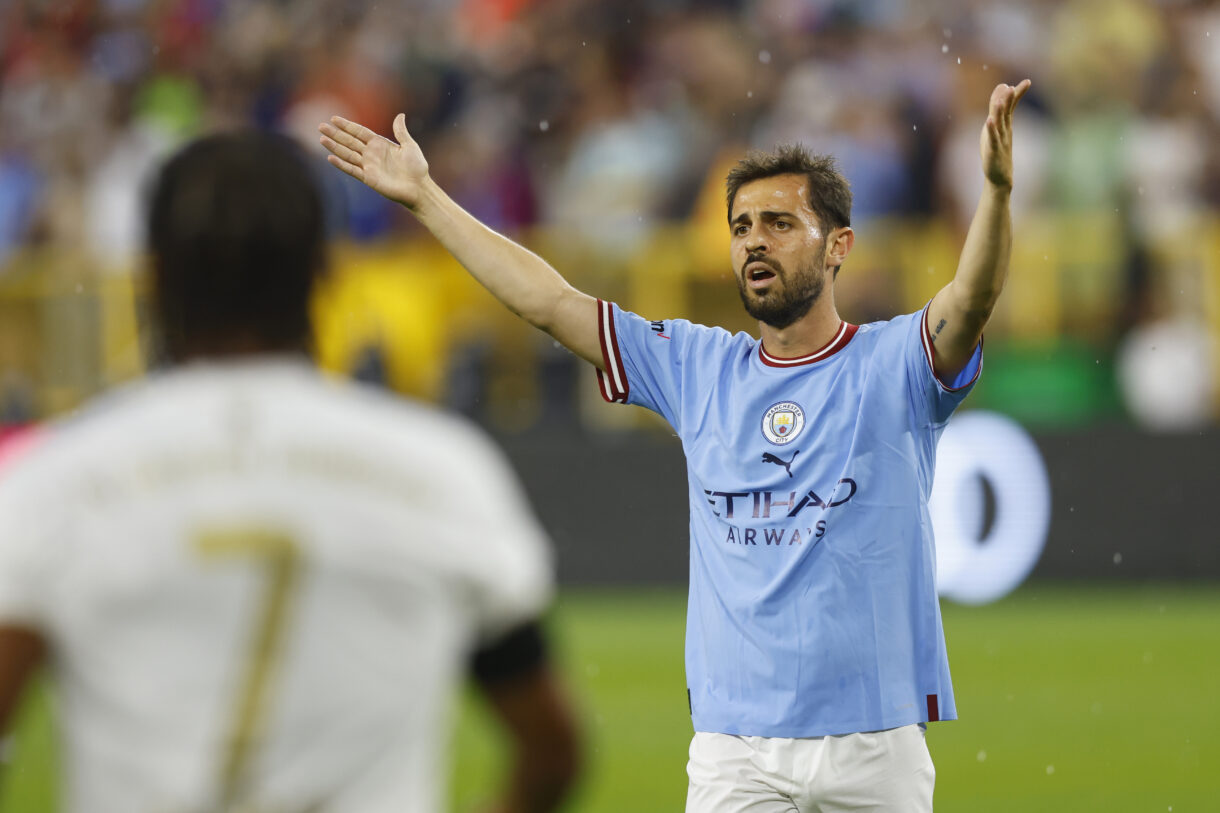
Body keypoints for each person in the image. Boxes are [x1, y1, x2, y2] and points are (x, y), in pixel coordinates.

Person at [319, 77, 1031, 812]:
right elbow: (551, 302)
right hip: (735, 751)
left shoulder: (893, 366)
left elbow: (970, 301)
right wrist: (427, 199)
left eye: (781, 223)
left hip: (872, 744)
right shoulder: (698, 365)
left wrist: (997, 193)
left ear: (838, 245)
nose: (755, 239)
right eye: (742, 225)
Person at [0, 132, 581, 813]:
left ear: (149, 278)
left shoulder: (57, 478)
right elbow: (551, 751)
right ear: (324, 273)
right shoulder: (442, 471)